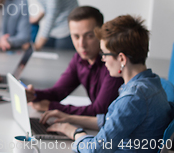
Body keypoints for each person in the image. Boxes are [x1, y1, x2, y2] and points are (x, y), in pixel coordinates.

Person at [39, 15, 173, 153]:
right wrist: (70, 118)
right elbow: (115, 121)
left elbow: (95, 149)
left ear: (121, 58)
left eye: (105, 53)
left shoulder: (133, 97)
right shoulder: (153, 82)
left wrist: (75, 133)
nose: (103, 59)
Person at [25, 6, 123, 115]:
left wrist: (51, 106)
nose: (82, 44)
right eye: (76, 36)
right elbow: (58, 92)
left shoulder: (112, 64)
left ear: (100, 34)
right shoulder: (79, 59)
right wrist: (33, 95)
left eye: (89, 36)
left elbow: (99, 110)